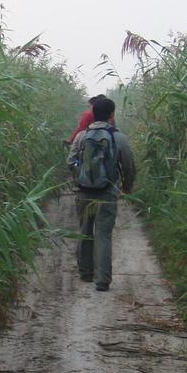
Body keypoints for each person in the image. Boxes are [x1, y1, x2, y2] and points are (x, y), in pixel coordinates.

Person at [66, 96, 136, 292]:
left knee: (85, 232)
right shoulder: (118, 137)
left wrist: (80, 179)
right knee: (103, 235)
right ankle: (102, 280)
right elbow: (129, 166)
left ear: (93, 113)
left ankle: (86, 273)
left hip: (84, 192)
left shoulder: (81, 136)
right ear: (112, 115)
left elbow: (70, 162)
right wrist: (127, 186)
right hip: (107, 193)